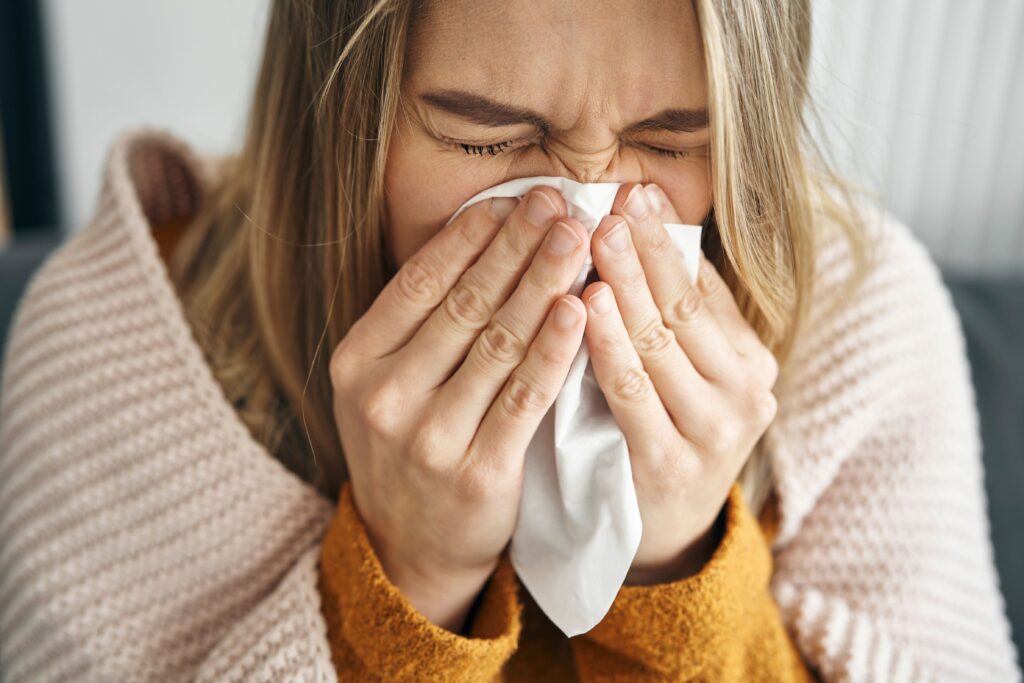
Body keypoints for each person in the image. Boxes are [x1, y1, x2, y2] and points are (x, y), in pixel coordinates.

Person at [0, 0, 1019, 680]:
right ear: (336, 113)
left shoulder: (858, 322)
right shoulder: (122, 338)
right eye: (484, 137)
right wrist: (403, 584)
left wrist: (677, 570)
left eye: (672, 141)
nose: (580, 223)